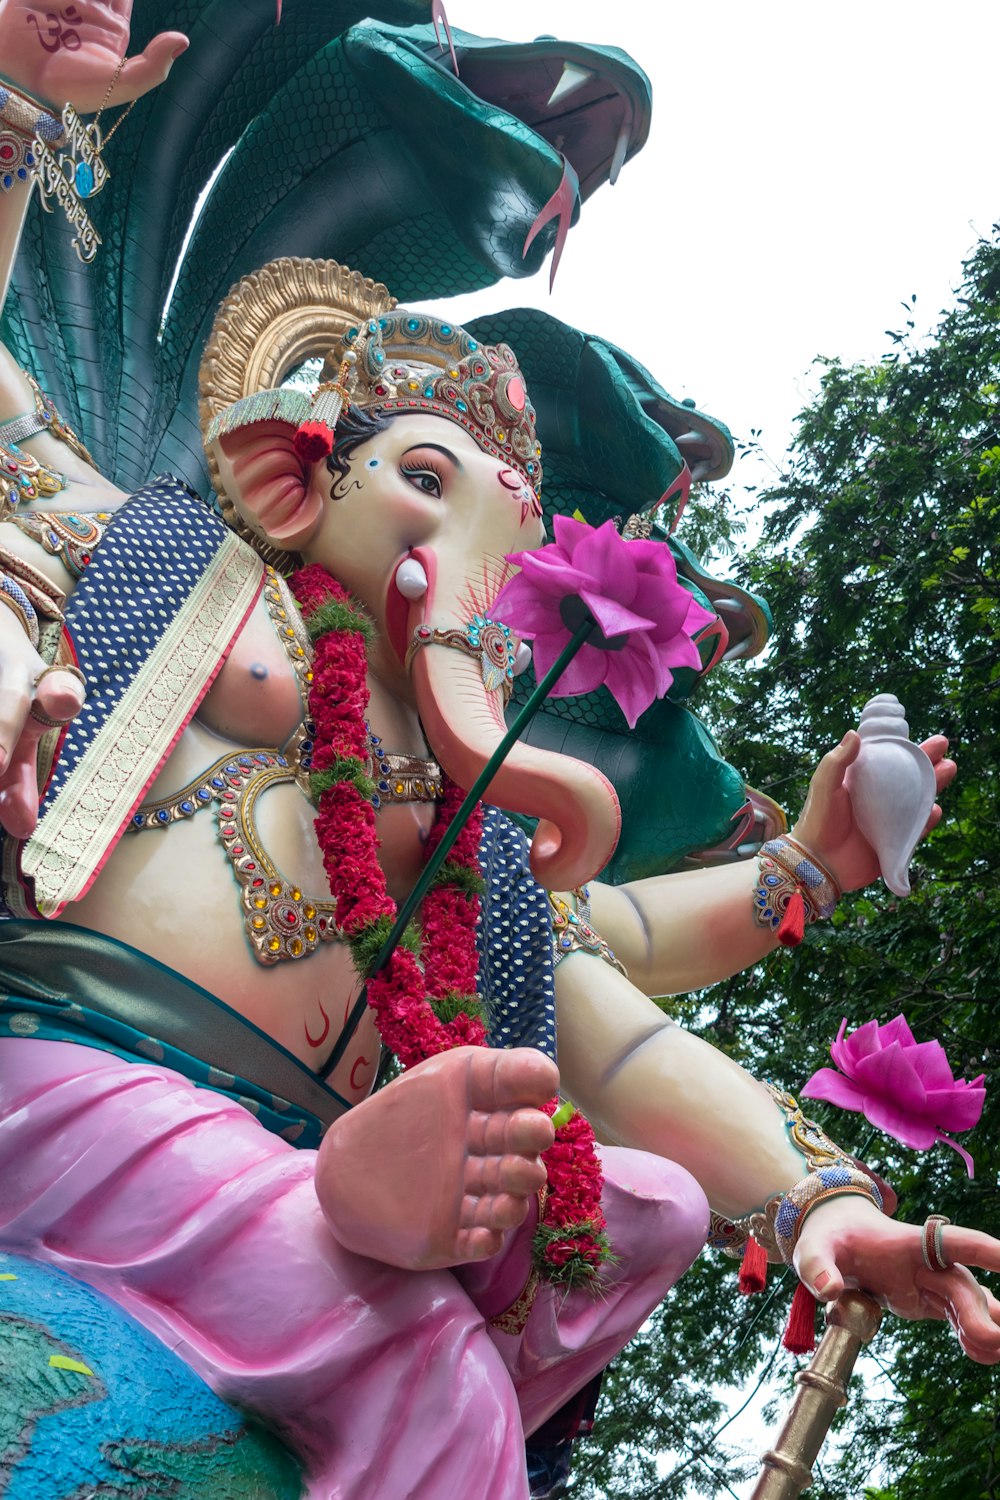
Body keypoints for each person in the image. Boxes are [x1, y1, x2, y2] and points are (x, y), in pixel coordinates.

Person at [0, 4, 998, 1496]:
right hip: (85, 1080)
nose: (468, 557)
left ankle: (375, 1236)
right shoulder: (169, 577)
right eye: (419, 482)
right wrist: (20, 113)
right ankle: (373, 1284)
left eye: (510, 539)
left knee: (644, 1205)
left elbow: (620, 1006)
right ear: (293, 477)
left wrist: (814, 1197)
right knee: (426, 1375)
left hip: (317, 1171)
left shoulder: (463, 820)